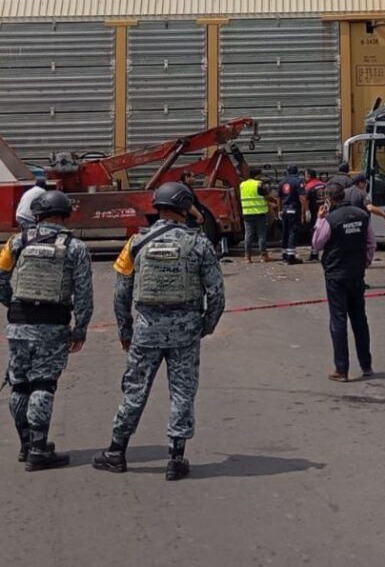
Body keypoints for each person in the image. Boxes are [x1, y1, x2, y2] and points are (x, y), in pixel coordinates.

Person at [93, 182, 225, 481]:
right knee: (182, 392)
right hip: (186, 332)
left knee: (134, 390)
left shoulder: (136, 243)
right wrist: (205, 326)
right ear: (183, 206)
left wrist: (125, 330)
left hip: (146, 330)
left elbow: (120, 293)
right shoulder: (199, 243)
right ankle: (176, 459)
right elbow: (217, 293)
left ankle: (116, 451)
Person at [0, 191, 92, 471]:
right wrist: (81, 329)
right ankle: (39, 449)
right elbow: (84, 293)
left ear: (37, 214)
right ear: (65, 214)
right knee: (43, 384)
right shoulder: (75, 247)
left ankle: (26, 444)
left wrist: (13, 305)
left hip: (18, 323)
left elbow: (1, 278)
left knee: (19, 383)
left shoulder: (16, 242)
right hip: (52, 325)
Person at [311, 182, 376, 382]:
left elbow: (317, 243)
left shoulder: (330, 219)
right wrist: (365, 261)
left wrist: (319, 220)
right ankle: (366, 365)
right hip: (356, 273)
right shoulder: (362, 215)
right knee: (359, 319)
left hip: (336, 275)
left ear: (329, 200)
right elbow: (371, 242)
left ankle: (342, 369)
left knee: (338, 321)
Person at [240, 168, 273, 263]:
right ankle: (263, 256)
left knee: (248, 235)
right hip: (259, 213)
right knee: (261, 235)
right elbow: (266, 196)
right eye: (260, 175)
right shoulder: (259, 184)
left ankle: (247, 257)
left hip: (247, 213)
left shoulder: (242, 184)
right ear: (257, 175)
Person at [278, 164, 306, 265]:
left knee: (285, 232)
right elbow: (302, 197)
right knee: (292, 232)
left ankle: (284, 255)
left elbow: (279, 198)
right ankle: (291, 257)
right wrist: (305, 211)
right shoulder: (298, 182)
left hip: (285, 210)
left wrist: (279, 210)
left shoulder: (282, 181)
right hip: (294, 210)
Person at [304, 169, 327, 262]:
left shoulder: (308, 186)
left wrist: (306, 211)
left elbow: (305, 200)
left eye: (305, 176)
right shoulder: (324, 185)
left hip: (314, 213)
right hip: (325, 211)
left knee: (314, 232)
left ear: (309, 176)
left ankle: (314, 254)